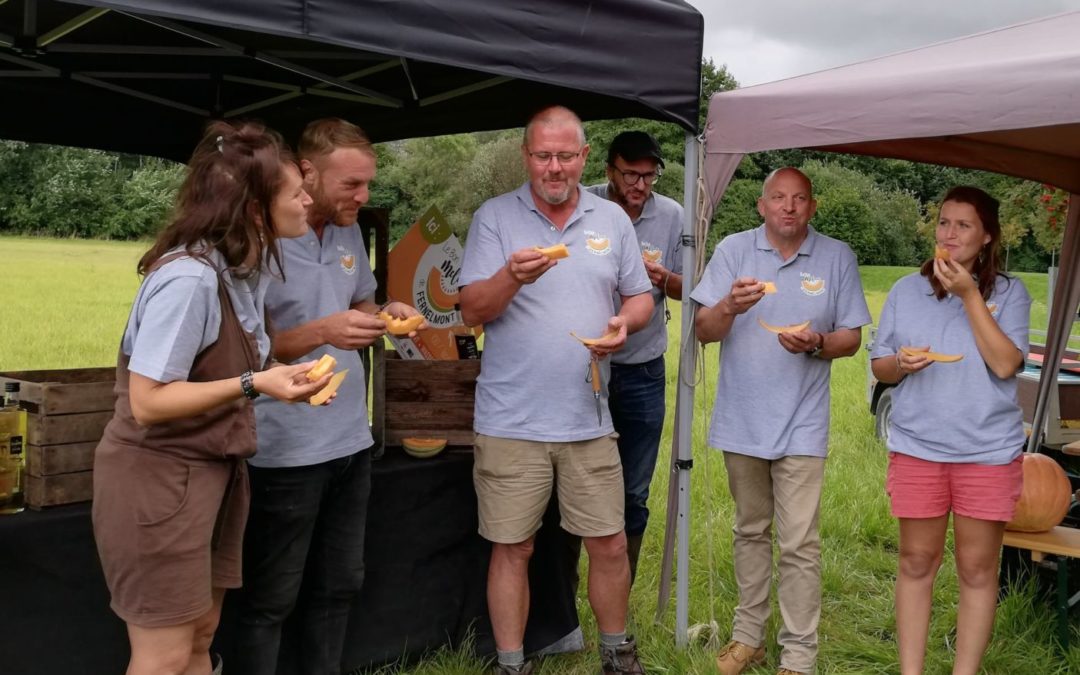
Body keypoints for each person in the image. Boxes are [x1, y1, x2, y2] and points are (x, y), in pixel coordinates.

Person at [92, 121, 330, 675]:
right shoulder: (190, 279)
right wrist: (255, 384)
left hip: (211, 476)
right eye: (295, 191)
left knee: (200, 636)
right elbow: (148, 402)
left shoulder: (240, 272)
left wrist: (278, 377)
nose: (307, 199)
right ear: (254, 210)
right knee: (164, 655)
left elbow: (219, 366)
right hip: (158, 482)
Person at [459, 105, 654, 675]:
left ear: (584, 158)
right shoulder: (495, 218)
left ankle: (617, 654)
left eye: (565, 156)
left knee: (610, 542)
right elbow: (471, 308)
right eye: (542, 155)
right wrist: (510, 278)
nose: (553, 167)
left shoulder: (612, 221)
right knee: (513, 547)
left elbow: (638, 296)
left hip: (588, 416)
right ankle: (511, 663)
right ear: (526, 156)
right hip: (511, 418)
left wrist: (625, 324)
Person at [234, 118, 422, 675]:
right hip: (282, 447)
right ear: (307, 173)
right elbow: (246, 351)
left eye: (368, 185)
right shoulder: (260, 238)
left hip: (348, 440)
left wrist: (389, 313)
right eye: (352, 185)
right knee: (271, 597)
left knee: (340, 586)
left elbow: (358, 304)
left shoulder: (346, 231)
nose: (363, 198)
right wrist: (321, 331)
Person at [692, 167, 870, 675]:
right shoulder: (733, 250)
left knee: (798, 541)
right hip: (742, 419)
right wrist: (729, 304)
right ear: (761, 205)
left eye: (799, 199)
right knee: (749, 530)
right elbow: (704, 331)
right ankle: (748, 637)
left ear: (812, 207)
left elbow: (851, 339)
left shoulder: (836, 256)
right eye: (778, 198)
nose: (788, 207)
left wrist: (816, 342)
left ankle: (799, 654)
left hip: (802, 424)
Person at [870, 186, 1029, 675]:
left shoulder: (1010, 293)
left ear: (986, 237)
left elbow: (1005, 364)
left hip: (987, 451)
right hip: (919, 447)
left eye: (964, 225)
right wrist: (900, 362)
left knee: (977, 571)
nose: (950, 233)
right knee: (916, 562)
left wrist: (969, 295)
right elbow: (879, 367)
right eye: (944, 222)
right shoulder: (904, 290)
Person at [586, 130, 683, 583]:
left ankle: (618, 589)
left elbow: (694, 289)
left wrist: (666, 279)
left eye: (649, 176)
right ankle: (565, 595)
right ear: (609, 171)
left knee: (633, 491)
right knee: (575, 484)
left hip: (644, 369)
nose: (641, 185)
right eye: (631, 174)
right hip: (585, 369)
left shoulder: (672, 216)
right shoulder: (584, 206)